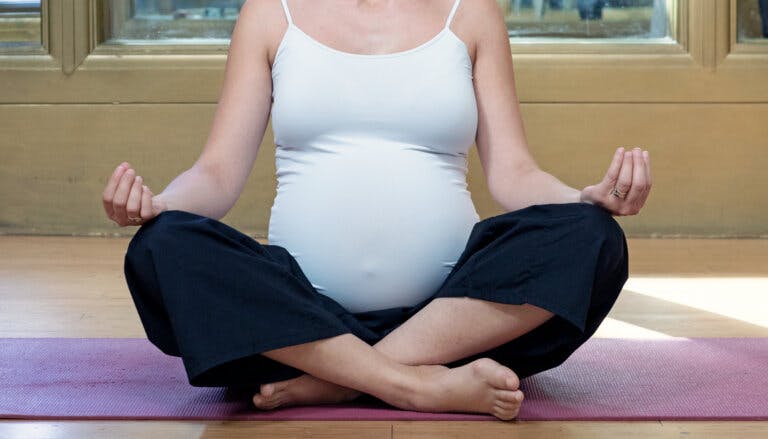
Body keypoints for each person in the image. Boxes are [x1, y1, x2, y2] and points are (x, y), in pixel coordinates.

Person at [102, 0, 651, 421]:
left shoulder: (472, 13)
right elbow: (217, 174)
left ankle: (338, 380)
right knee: (160, 246)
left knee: (594, 238)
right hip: (296, 317)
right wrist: (160, 205)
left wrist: (584, 200)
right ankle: (412, 384)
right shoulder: (270, 14)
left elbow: (514, 174)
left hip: (452, 320)